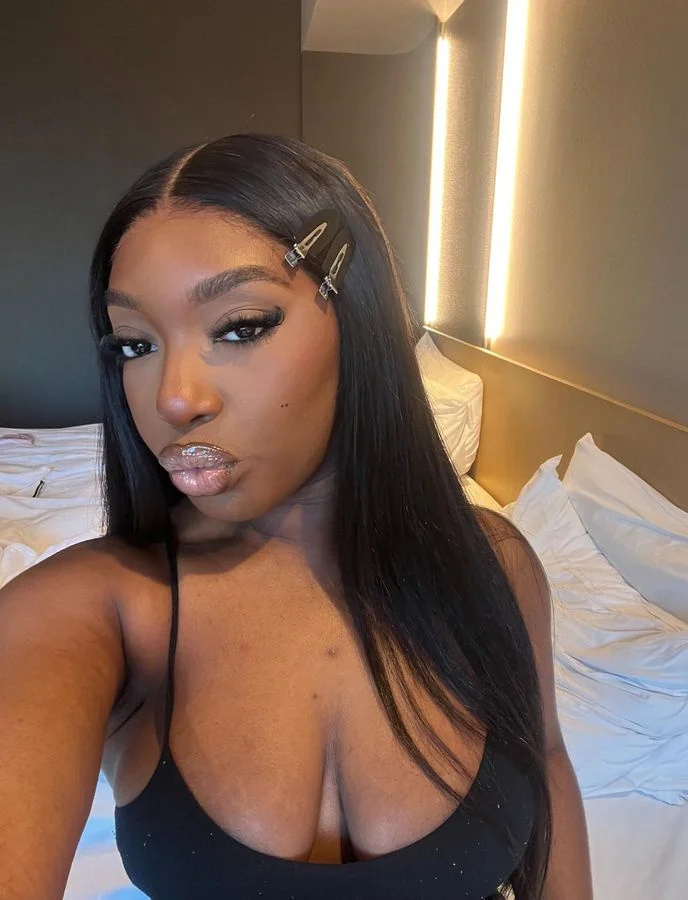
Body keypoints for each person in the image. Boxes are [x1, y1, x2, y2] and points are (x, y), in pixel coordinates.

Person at [0, 134, 592, 899]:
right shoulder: (91, 611)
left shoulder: (494, 566)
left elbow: (547, 758)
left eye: (240, 325)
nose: (173, 398)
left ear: (358, 319)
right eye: (135, 345)